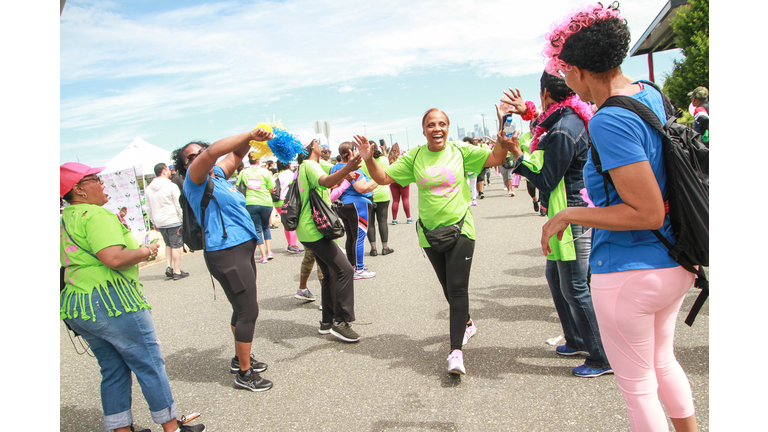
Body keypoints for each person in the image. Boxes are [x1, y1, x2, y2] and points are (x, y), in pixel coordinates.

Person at [536, 3, 699, 431]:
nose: (567, 84)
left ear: (580, 69)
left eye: (565, 73)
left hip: (629, 271)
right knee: (663, 362)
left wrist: (570, 214)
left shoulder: (609, 120)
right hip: (675, 261)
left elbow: (644, 211)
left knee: (638, 389)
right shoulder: (650, 92)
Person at [353, 108, 510, 375]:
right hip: (429, 233)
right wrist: (369, 159)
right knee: (448, 288)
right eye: (431, 125)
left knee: (458, 290)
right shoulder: (415, 157)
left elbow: (496, 157)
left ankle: (455, 353)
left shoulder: (461, 152)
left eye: (442, 124)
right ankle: (467, 323)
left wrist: (501, 126)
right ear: (423, 130)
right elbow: (383, 178)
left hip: (461, 229)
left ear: (448, 128)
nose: (437, 129)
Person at [59, 162, 205, 432]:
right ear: (78, 189)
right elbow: (113, 257)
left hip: (78, 305)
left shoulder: (67, 217)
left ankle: (121, 429)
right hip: (111, 301)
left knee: (113, 369)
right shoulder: (96, 215)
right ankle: (172, 428)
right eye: (94, 179)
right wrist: (145, 251)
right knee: (149, 363)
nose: (102, 183)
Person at [497, 71, 612, 379]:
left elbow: (547, 178)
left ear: (546, 92)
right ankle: (575, 339)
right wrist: (525, 113)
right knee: (554, 276)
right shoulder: (564, 117)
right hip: (564, 213)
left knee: (575, 286)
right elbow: (541, 125)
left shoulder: (563, 129)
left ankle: (602, 355)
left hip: (572, 215)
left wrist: (517, 154)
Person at [171, 128, 274, 393]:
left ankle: (241, 358)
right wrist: (249, 131)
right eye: (189, 157)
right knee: (248, 311)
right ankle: (244, 373)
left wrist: (255, 139)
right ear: (185, 165)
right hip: (225, 252)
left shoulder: (217, 174)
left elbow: (238, 152)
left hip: (241, 248)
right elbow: (213, 152)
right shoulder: (194, 179)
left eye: (198, 153)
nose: (195, 158)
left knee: (240, 308)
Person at [295, 136, 366, 342]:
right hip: (316, 230)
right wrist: (347, 169)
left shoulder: (305, 166)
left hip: (308, 231)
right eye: (316, 142)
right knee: (345, 270)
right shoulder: (310, 165)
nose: (321, 144)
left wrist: (345, 173)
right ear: (310, 148)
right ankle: (341, 321)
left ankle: (327, 321)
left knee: (328, 274)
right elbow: (326, 181)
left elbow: (328, 185)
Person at [330, 141, 378, 279]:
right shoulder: (353, 168)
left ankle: (352, 266)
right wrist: (380, 179)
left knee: (351, 237)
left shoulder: (335, 167)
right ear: (352, 152)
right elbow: (361, 188)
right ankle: (359, 269)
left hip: (343, 206)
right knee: (359, 238)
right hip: (357, 205)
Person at [145, 163, 189, 280]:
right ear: (164, 171)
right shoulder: (171, 186)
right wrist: (183, 218)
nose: (170, 172)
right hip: (173, 219)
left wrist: (154, 222)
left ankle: (169, 267)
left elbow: (148, 207)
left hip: (160, 221)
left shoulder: (149, 188)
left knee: (168, 244)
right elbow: (178, 205)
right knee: (176, 246)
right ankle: (177, 271)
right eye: (168, 170)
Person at [236, 153, 276, 264]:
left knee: (257, 228)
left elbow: (238, 187)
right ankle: (269, 251)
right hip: (266, 202)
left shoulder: (243, 172)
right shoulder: (265, 172)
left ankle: (263, 255)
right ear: (259, 160)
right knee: (266, 226)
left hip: (251, 203)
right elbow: (272, 188)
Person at [361, 141, 394, 256]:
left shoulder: (363, 161)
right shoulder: (384, 160)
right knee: (383, 220)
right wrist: (384, 149)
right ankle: (385, 247)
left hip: (368, 193)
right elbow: (388, 171)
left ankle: (373, 248)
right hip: (383, 193)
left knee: (370, 222)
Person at [274, 161, 303, 254]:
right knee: (292, 223)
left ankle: (290, 244)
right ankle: (293, 245)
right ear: (288, 165)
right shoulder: (291, 174)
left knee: (286, 224)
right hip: (288, 201)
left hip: (277, 202)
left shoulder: (277, 175)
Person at [387, 143, 413, 224]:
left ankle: (394, 219)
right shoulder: (402, 158)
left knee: (395, 200)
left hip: (393, 181)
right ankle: (408, 218)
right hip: (403, 181)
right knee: (405, 199)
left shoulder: (389, 159)